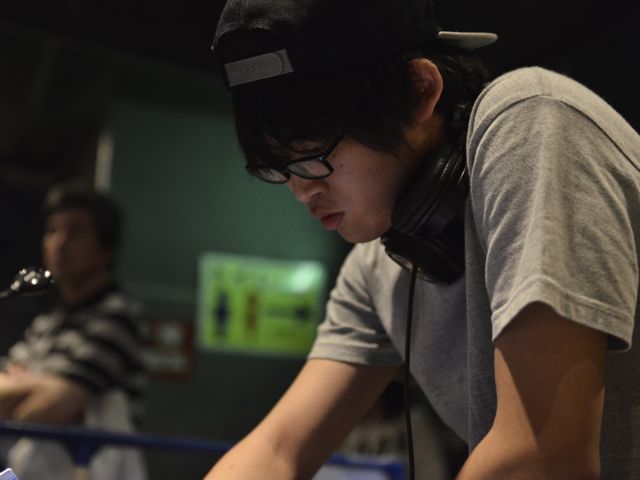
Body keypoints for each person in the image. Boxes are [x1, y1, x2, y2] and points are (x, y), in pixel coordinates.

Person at [206, 0, 640, 478]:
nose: (301, 190)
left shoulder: (531, 118)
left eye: (312, 151)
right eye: (277, 167)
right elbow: (276, 452)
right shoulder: (378, 269)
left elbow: (544, 454)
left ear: (418, 91)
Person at [0, 181, 147, 480]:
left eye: (75, 231)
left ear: (106, 249)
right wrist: (38, 386)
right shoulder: (47, 322)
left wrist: (27, 384)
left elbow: (45, 411)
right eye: (52, 230)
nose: (60, 242)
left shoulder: (116, 317)